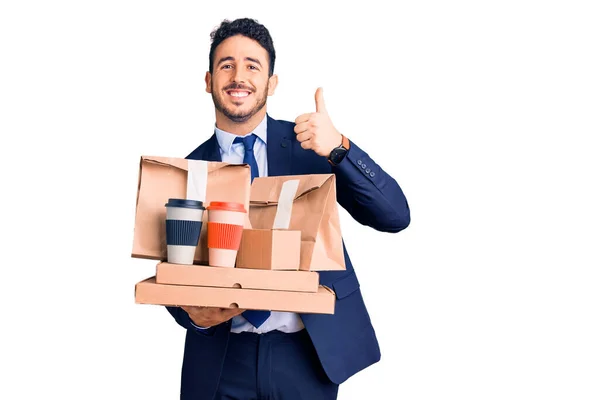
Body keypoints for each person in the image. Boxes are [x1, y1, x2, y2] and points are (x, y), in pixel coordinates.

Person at [166, 17, 410, 400]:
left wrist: (339, 148)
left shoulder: (311, 146)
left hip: (306, 357)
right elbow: (176, 275)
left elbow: (395, 216)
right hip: (223, 363)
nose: (238, 76)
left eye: (252, 65)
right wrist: (193, 318)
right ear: (209, 80)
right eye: (226, 65)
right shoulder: (186, 170)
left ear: (271, 83)